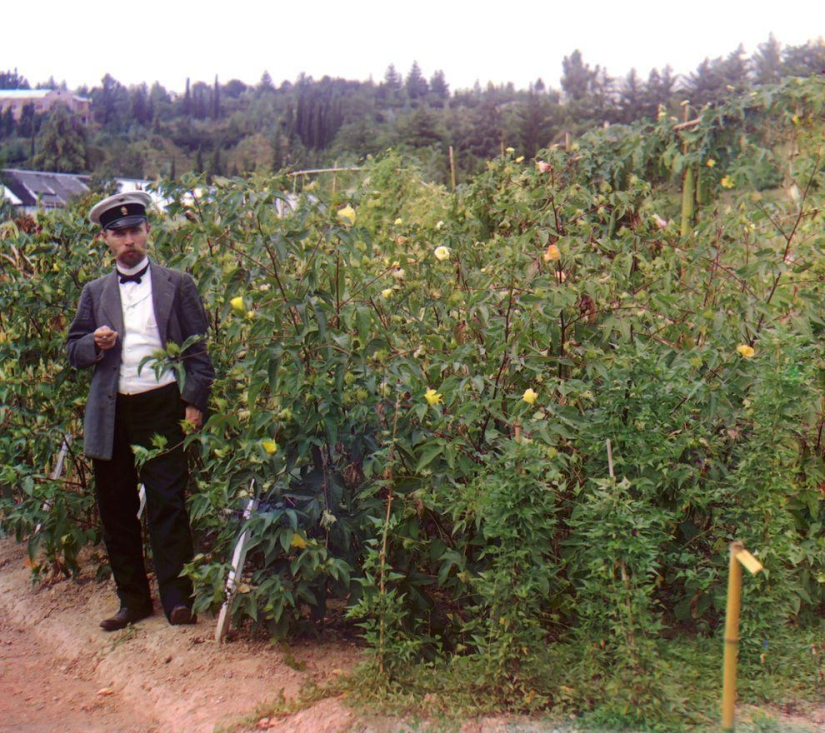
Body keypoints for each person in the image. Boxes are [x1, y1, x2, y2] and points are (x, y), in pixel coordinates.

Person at [67, 191, 215, 631]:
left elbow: (198, 351)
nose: (128, 240)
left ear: (148, 232)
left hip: (162, 406)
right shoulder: (94, 292)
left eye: (135, 230)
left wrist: (193, 402)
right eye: (119, 233)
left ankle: (177, 600)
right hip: (112, 412)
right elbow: (73, 351)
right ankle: (133, 601)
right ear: (105, 239)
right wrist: (94, 343)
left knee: (168, 503)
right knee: (115, 507)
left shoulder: (178, 283)